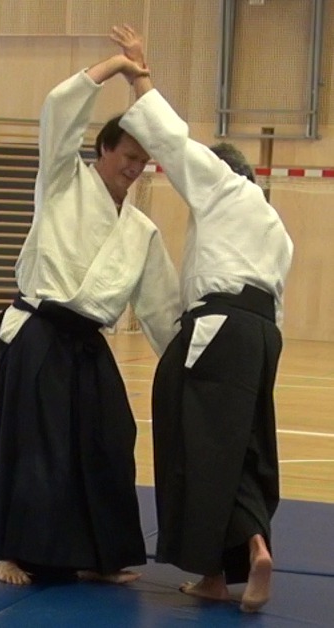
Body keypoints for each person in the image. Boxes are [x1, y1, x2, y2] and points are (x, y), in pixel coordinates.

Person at [111, 25, 294, 612]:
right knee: (240, 446)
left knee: (195, 445)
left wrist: (140, 76)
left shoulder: (222, 186)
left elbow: (171, 140)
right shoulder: (274, 226)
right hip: (262, 337)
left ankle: (221, 566)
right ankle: (242, 556)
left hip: (219, 329)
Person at [0, 52, 181, 586]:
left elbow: (162, 308)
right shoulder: (63, 181)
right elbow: (58, 108)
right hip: (38, 330)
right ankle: (8, 551)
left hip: (86, 341)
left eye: (143, 161)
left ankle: (99, 555)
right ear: (104, 149)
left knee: (110, 438)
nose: (135, 168)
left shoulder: (140, 230)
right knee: (33, 446)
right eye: (129, 156)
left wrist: (190, 364)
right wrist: (118, 66)